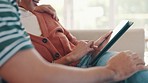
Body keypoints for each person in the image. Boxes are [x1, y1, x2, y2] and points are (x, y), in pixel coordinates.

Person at [0, 0, 147, 83]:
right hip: (63, 71)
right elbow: (30, 74)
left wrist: (93, 47)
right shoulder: (6, 17)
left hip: (89, 60)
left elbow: (74, 43)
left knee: (137, 72)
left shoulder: (45, 13)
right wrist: (112, 71)